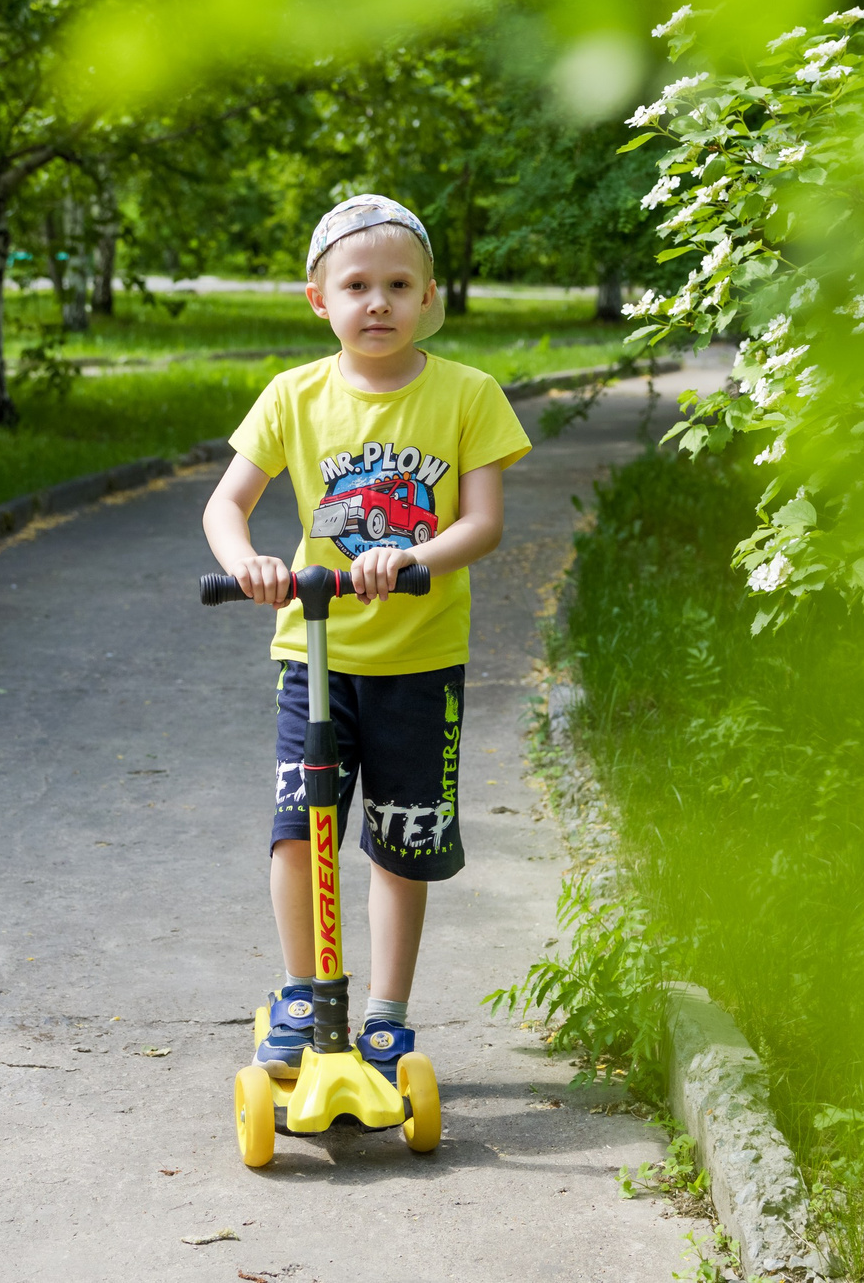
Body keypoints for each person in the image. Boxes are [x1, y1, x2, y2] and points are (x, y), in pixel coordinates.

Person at [201, 194, 532, 1077]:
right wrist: (248, 562)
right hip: (314, 655)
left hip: (420, 664)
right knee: (296, 828)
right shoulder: (293, 397)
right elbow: (227, 502)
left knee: (401, 834)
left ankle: (386, 1012)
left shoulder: (468, 395)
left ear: (429, 296)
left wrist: (413, 553)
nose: (376, 301)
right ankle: (303, 990)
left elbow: (485, 522)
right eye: (357, 285)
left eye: (397, 284)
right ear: (321, 300)